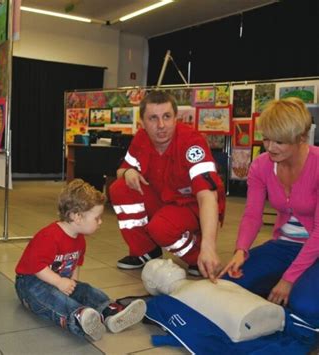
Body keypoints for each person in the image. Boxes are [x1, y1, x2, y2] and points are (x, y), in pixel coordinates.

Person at [219, 98, 319, 329]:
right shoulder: (261, 166)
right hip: (284, 246)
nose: (270, 147)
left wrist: (289, 279)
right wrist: (240, 251)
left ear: (301, 138)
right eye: (266, 138)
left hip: (316, 248)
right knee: (227, 284)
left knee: (305, 305)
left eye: (280, 141)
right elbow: (253, 215)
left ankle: (293, 284)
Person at [109, 91, 225, 281]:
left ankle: (197, 256)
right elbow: (121, 171)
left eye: (167, 117)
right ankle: (145, 251)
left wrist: (209, 247)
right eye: (153, 118)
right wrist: (128, 172)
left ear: (176, 118)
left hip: (191, 205)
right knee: (120, 188)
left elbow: (207, 196)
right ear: (143, 123)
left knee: (161, 228)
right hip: (164, 199)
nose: (161, 125)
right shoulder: (141, 138)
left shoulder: (192, 143)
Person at [15, 179, 147, 341]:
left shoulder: (79, 239)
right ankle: (78, 317)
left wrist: (72, 282)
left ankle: (110, 311)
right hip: (31, 283)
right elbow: (37, 267)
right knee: (51, 298)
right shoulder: (49, 236)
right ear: (77, 217)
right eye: (97, 218)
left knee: (86, 289)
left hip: (58, 280)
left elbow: (76, 262)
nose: (100, 222)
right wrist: (59, 282)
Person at [142, 259, 285, 342]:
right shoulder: (173, 300)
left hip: (266, 311)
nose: (169, 260)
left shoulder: (204, 283)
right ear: (152, 284)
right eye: (161, 265)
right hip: (245, 322)